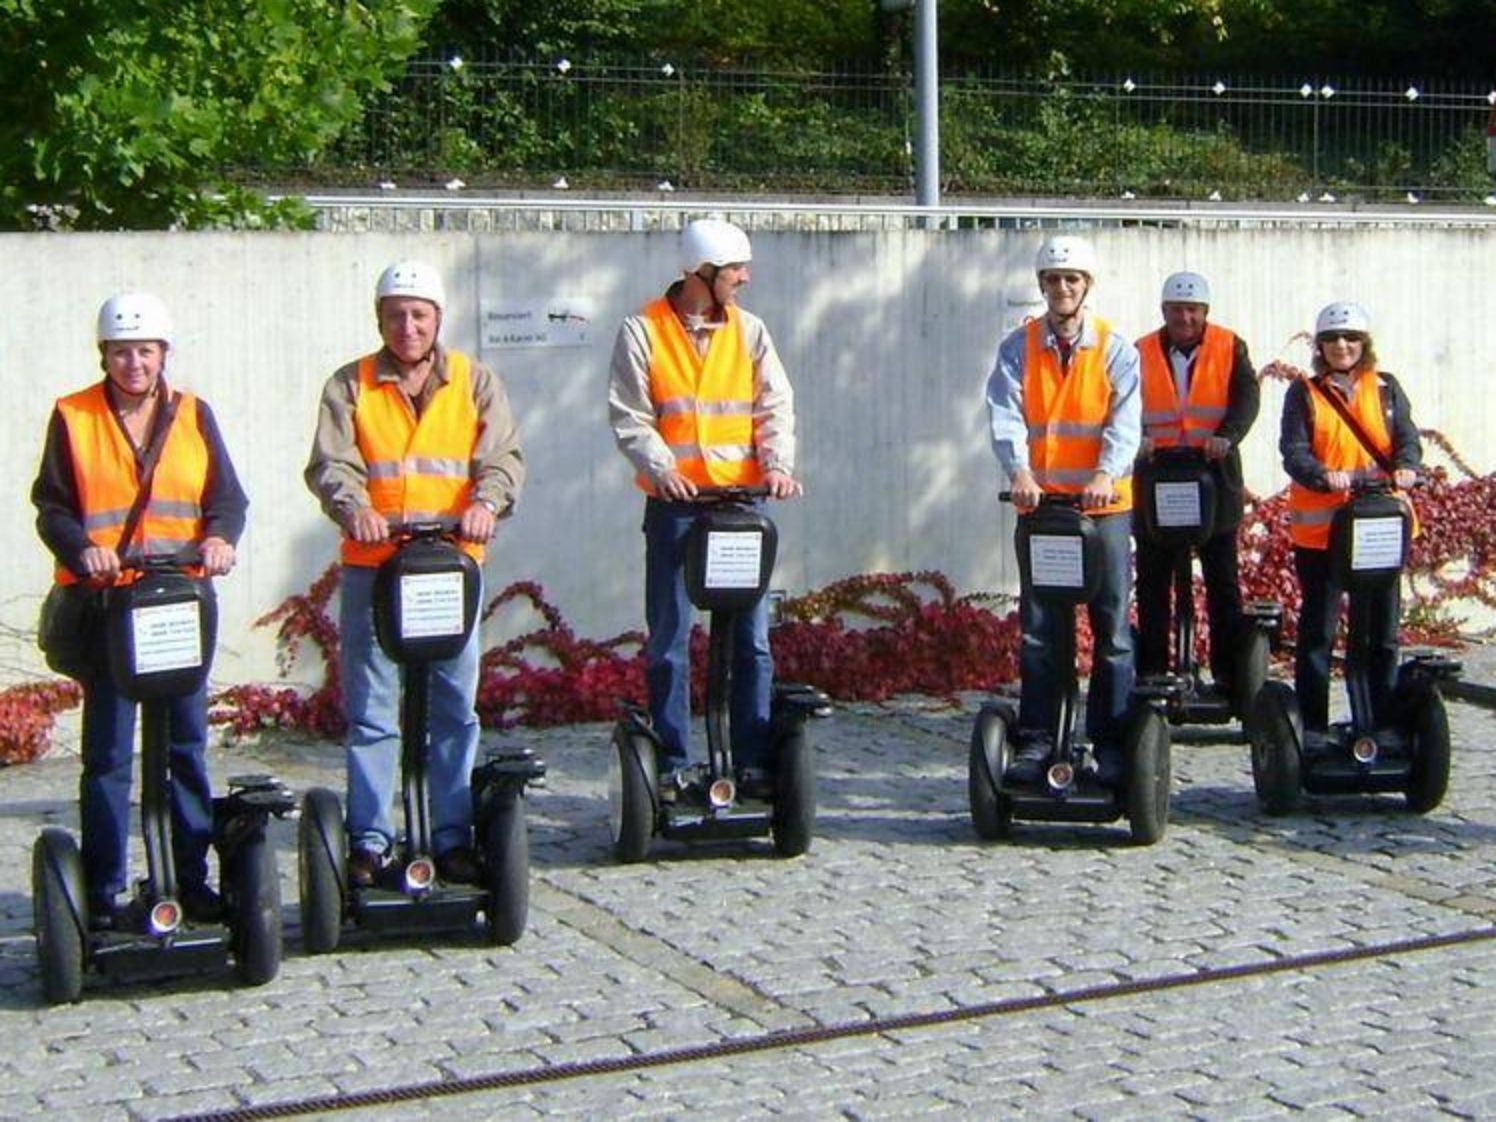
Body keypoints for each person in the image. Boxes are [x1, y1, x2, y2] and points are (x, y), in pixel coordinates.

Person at [31, 292, 248, 930]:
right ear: (104, 354)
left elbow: (228, 498)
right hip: (109, 605)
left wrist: (219, 540)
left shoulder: (194, 415)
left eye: (145, 351)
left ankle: (189, 876)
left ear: (163, 354)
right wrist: (84, 549)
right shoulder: (72, 416)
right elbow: (52, 506)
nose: (134, 364)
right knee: (108, 754)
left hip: (179, 600)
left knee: (185, 743)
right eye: (122, 352)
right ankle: (100, 890)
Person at [306, 261, 525, 887]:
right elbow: (331, 464)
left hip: (450, 568)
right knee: (374, 710)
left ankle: (452, 836)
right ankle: (371, 841)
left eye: (419, 315)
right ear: (380, 320)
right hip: (375, 567)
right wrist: (357, 510)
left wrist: (486, 504)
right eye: (397, 315)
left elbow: (503, 455)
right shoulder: (350, 386)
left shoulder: (476, 382)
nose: (408, 326)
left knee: (455, 707)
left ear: (437, 320)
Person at [607, 217, 798, 799]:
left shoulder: (751, 331)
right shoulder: (643, 330)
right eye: (736, 269)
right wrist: (664, 471)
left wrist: (779, 466)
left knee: (752, 640)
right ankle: (669, 764)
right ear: (704, 272)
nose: (744, 278)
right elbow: (630, 415)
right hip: (676, 508)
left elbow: (774, 405)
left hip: (741, 507)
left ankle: (754, 762)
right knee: (669, 639)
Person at [984, 234, 1141, 786]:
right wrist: (1019, 473)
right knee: (1041, 629)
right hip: (1045, 511)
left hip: (1104, 510)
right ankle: (1036, 739)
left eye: (1071, 279)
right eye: (1053, 280)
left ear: (1087, 286)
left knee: (1112, 630)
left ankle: (1112, 742)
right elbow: (1004, 414)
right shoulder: (1017, 347)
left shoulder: (1117, 349)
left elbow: (1125, 422)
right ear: (1042, 286)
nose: (1062, 288)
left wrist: (1105, 474)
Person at [1280, 301, 1421, 747]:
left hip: (1379, 528)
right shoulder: (1304, 392)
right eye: (1333, 339)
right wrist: (1322, 475)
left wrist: (1406, 467)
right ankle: (1315, 728)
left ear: (1364, 344)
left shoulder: (1385, 388)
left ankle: (1381, 721)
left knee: (1380, 631)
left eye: (1351, 339)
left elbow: (1408, 441)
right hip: (1323, 533)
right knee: (1319, 630)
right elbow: (1294, 450)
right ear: (1320, 346)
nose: (1342, 346)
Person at [1133, 272, 1260, 696]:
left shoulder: (1228, 345)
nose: (1184, 317)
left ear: (1205, 312)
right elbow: (1122, 400)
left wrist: (1229, 435)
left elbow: (1247, 396)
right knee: (1154, 580)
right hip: (1159, 474)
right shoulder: (1141, 350)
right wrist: (1138, 439)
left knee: (1222, 579)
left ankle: (1227, 674)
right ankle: (1153, 670)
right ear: (1164, 311)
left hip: (1214, 475)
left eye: (1192, 310)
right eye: (1176, 310)